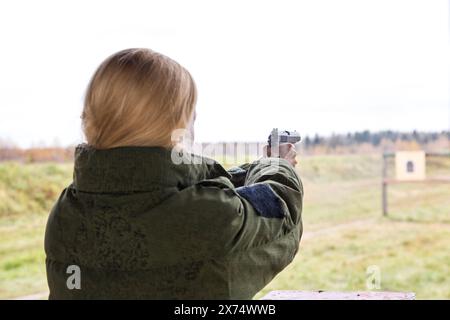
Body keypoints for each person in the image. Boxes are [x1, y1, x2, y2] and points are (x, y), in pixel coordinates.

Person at [44, 48, 304, 299]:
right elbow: (280, 211)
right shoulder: (207, 215)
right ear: (177, 125)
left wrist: (258, 166)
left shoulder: (66, 213)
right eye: (191, 115)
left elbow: (159, 185)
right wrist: (277, 165)